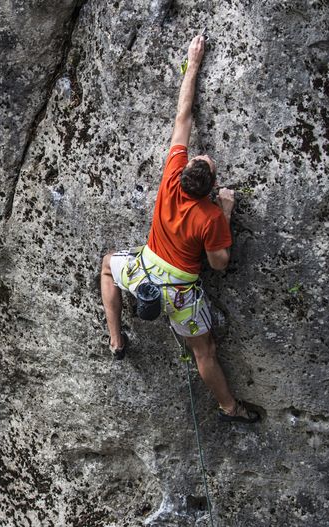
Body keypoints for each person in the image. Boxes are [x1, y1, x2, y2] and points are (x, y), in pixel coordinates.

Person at [99, 34, 260, 423]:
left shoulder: (171, 175)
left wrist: (192, 61)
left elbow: (182, 116)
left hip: (144, 268)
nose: (200, 155)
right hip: (180, 293)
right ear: (207, 189)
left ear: (185, 172)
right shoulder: (209, 217)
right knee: (204, 352)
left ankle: (116, 337)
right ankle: (229, 407)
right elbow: (219, 264)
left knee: (107, 265)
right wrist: (225, 212)